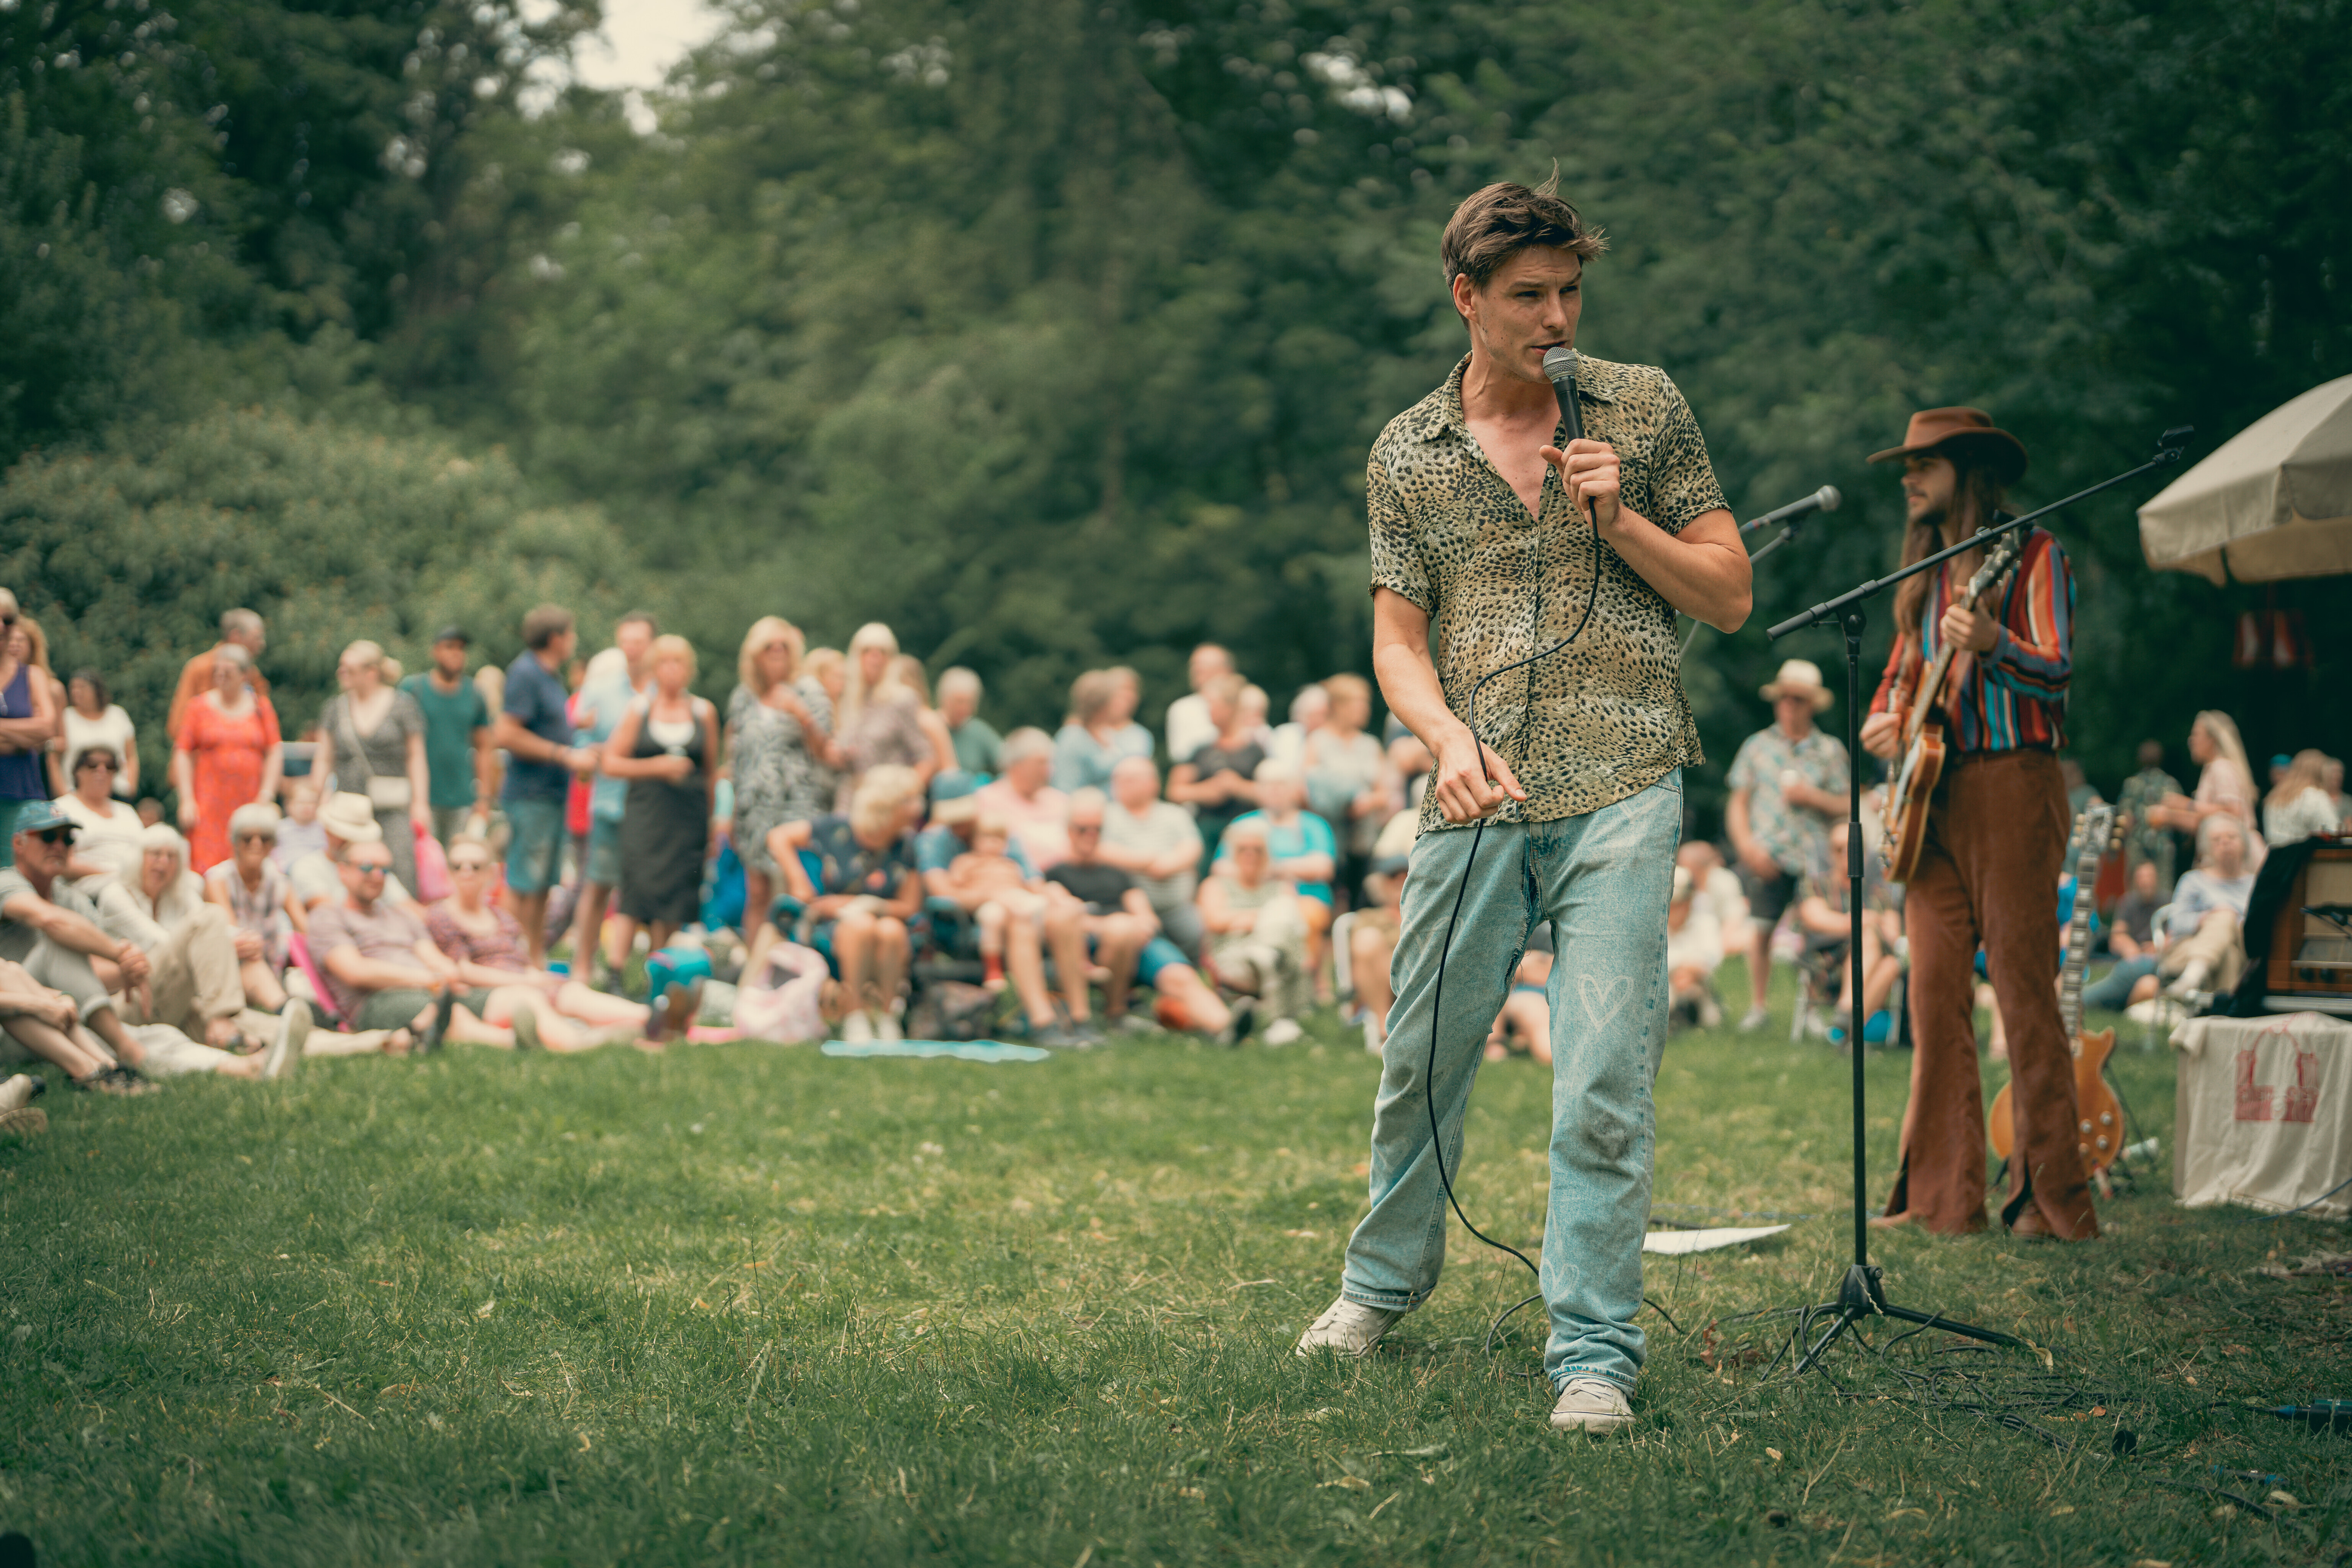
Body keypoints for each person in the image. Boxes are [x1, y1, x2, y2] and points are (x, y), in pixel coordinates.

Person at [1296, 180, 1753, 1443]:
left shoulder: (1643, 406)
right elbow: (1395, 639)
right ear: (1466, 298)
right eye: (1527, 297)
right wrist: (1442, 736)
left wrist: (1622, 517)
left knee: (1601, 1074)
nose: (1556, 317)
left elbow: (1726, 595)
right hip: (1476, 791)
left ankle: (1595, 1352)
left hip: (1626, 784)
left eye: (1570, 293)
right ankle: (1377, 1288)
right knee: (1420, 1056)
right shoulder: (1409, 453)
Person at [1857, 405, 2094, 1242]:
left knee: (2025, 989)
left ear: (1968, 466)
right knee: (1932, 994)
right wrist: (1884, 716)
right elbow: (1901, 672)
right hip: (1932, 793)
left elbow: (2058, 666)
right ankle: (1942, 1197)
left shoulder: (2033, 554)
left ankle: (2052, 1199)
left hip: (2013, 785)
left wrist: (1995, 640)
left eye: (1923, 464)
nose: (1907, 477)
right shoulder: (1924, 566)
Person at [425, 838, 650, 1049]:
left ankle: (652, 1018)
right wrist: (526, 981)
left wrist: (538, 978)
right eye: (457, 866)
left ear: (490, 873)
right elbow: (463, 972)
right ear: (449, 872)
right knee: (529, 997)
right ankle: (579, 1042)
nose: (466, 872)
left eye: (475, 866)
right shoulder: (441, 916)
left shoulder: (501, 916)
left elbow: (522, 960)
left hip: (523, 981)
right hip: (482, 994)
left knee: (571, 991)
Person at [1724, 658, 1849, 1032]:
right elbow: (1738, 803)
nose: (1790, 705)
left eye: (1799, 699)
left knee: (1815, 935)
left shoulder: (1830, 750)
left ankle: (1809, 1009)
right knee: (1761, 929)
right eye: (1785, 698)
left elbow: (1848, 804)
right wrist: (1747, 847)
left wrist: (1813, 797)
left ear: (1812, 704)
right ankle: (1758, 1007)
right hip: (1768, 854)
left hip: (1815, 857)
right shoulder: (1757, 746)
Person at [0, 801, 161, 1089]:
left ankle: (108, 1065)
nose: (60, 846)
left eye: (68, 838)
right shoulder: (5, 882)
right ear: (19, 844)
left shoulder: (72, 899)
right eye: (49, 837)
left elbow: (91, 971)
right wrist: (120, 953)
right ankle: (116, 1057)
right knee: (57, 944)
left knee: (164, 1031)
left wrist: (130, 969)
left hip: (60, 1014)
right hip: (11, 1025)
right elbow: (52, 922)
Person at [307, 839, 524, 1051]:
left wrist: (447, 974)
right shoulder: (328, 916)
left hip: (431, 991)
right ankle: (513, 1041)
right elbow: (356, 971)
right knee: (446, 1013)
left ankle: (550, 1034)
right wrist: (426, 980)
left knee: (507, 999)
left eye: (384, 869)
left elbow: (432, 956)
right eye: (367, 867)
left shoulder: (402, 916)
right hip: (376, 1001)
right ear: (342, 871)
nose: (376, 875)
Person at [98, 823, 296, 1055]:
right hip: (128, 1004)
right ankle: (222, 1017)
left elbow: (213, 930)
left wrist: (244, 939)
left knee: (258, 1026)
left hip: (175, 998)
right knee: (213, 915)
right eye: (155, 854)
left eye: (171, 856)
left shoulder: (179, 896)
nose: (163, 862)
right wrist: (227, 944)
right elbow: (162, 941)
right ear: (138, 858)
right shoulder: (115, 895)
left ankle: (324, 1035)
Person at [1050, 788, 1232, 1039]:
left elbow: (1143, 910)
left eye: (1098, 830)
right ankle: (1116, 1013)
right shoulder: (1056, 872)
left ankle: (1225, 1025)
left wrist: (1143, 924)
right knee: (1120, 930)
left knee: (1180, 976)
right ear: (1069, 830)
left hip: (1136, 940)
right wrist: (1116, 926)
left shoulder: (1117, 871)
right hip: (1090, 947)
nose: (1091, 836)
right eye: (1083, 829)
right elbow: (1065, 917)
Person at [768, 766, 926, 1043]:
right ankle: (855, 1017)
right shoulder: (836, 830)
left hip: (888, 926)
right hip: (833, 926)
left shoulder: (907, 846)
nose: (919, 808)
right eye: (910, 800)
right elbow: (779, 836)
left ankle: (888, 1020)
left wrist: (866, 904)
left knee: (889, 929)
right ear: (887, 804)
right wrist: (798, 880)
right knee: (861, 926)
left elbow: (909, 907)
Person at [600, 634, 720, 958]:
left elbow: (711, 772)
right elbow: (610, 762)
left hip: (687, 822)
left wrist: (713, 823)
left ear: (689, 669)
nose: (671, 670)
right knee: (636, 892)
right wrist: (657, 767)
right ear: (654, 669)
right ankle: (615, 970)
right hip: (647, 818)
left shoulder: (703, 712)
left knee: (675, 899)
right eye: (664, 663)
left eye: (678, 663)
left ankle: (660, 970)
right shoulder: (640, 709)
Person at [494, 605, 593, 967]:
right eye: (571, 634)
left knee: (542, 885)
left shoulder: (550, 677)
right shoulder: (525, 673)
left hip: (551, 795)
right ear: (555, 639)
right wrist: (563, 754)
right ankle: (506, 958)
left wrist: (578, 728)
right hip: (529, 795)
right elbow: (506, 733)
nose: (574, 641)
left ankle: (533, 958)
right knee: (524, 880)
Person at [726, 617, 834, 942]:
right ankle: (754, 968)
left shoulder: (808, 690)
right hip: (754, 807)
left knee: (793, 889)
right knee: (757, 892)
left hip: (796, 804)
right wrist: (733, 813)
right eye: (769, 647)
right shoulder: (744, 697)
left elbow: (825, 752)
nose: (776, 652)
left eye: (783, 647)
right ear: (755, 654)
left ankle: (795, 967)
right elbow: (736, 758)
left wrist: (801, 714)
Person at [567, 614, 656, 981]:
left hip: (653, 809)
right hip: (608, 804)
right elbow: (580, 748)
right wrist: (598, 757)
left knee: (647, 893)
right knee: (597, 887)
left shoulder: (662, 692)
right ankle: (582, 969)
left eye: (639, 641)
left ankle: (648, 974)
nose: (632, 649)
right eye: (626, 641)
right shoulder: (600, 691)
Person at [315, 640, 430, 893]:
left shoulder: (402, 705)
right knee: (353, 868)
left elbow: (416, 757)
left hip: (392, 805)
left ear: (372, 672)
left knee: (399, 867)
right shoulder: (335, 708)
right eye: (341, 668)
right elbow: (324, 758)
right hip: (349, 808)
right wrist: (317, 795)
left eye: (350, 669)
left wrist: (420, 803)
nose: (342, 674)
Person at [1215, 761, 1337, 998]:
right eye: (1268, 785)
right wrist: (1289, 868)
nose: (1275, 791)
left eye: (1282, 785)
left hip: (1306, 899)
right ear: (1258, 790)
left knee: (1302, 916)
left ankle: (1306, 980)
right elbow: (1220, 866)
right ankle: (1244, 981)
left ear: (1296, 790)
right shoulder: (1243, 824)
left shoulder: (1313, 825)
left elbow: (1324, 867)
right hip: (1250, 897)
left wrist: (1269, 869)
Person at [171, 644, 284, 874]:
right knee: (206, 863)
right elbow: (182, 751)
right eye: (218, 673)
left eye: (228, 673)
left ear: (245, 675)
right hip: (209, 801)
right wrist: (186, 799)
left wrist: (267, 794)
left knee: (248, 860)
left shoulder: (261, 707)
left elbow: (275, 750)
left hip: (249, 799)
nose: (221, 678)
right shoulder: (199, 706)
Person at [1197, 818, 1310, 1045]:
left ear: (1267, 854)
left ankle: (1266, 959)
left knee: (1284, 928)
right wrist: (1266, 918)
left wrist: (1240, 920)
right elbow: (1214, 920)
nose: (1250, 855)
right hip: (1233, 960)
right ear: (1232, 854)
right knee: (1280, 922)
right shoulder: (1215, 885)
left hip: (1276, 952)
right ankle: (1280, 1019)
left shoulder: (1280, 886)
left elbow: (1295, 923)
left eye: (1257, 850)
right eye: (1243, 850)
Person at [1793, 821, 1901, 1048]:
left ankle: (1844, 1029)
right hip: (1827, 965)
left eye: (1851, 849)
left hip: (1868, 969)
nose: (1846, 855)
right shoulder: (1816, 885)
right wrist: (1861, 920)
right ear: (1830, 854)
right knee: (1868, 933)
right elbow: (1815, 918)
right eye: (1839, 849)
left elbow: (1893, 934)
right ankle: (1847, 1021)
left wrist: (1874, 923)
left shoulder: (1877, 892)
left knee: (1891, 963)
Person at [1096, 755, 1205, 956]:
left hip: (1177, 908)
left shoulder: (1174, 814)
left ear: (1153, 784)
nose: (1120, 784)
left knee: (1196, 936)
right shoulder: (1106, 816)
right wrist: (1148, 861)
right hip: (1127, 911)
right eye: (1117, 779)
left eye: (1130, 779)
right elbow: (1101, 850)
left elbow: (1193, 847)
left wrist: (1170, 864)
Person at [1303, 673, 1396, 901]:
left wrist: (1368, 803)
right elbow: (1305, 789)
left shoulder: (1370, 745)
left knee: (1359, 897)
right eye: (1359, 703)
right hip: (1329, 834)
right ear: (1338, 706)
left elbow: (1386, 793)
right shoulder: (1317, 742)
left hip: (1363, 838)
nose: (1366, 709)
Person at [400, 627, 495, 848]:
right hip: (422, 796)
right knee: (425, 859)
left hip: (461, 796)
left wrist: (484, 798)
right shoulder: (414, 689)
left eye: (461, 649)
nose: (456, 654)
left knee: (460, 858)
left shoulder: (474, 694)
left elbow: (484, 748)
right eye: (449, 647)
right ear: (436, 651)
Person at [204, 803, 301, 1014]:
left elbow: (305, 928)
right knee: (249, 953)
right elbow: (232, 931)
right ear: (235, 842)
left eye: (265, 839)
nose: (256, 844)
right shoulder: (218, 879)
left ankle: (287, 1008)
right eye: (247, 838)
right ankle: (284, 1011)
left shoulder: (281, 882)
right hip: (231, 967)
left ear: (272, 845)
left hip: (271, 967)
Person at [2150, 711, 2265, 874]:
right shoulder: (2212, 770)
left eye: (2196, 734)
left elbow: (2233, 811)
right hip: (2229, 859)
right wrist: (2170, 816)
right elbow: (2210, 822)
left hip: (2237, 861)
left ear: (2212, 740)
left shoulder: (2221, 769)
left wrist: (2185, 805)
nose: (2191, 740)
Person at [835, 624, 939, 800]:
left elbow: (926, 759)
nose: (874, 658)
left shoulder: (902, 700)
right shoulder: (848, 700)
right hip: (851, 800)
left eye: (882, 652)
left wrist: (902, 796)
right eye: (868, 651)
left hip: (886, 804)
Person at [1166, 674, 1263, 861]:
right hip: (1207, 832)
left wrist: (1239, 787)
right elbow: (1174, 791)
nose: (1208, 710)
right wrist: (1205, 792)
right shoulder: (1200, 750)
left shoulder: (1256, 751)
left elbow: (1274, 793)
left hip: (1247, 833)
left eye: (1213, 705)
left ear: (1231, 707)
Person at [0, 590, 60, 865]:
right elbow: (35, 732)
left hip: (23, 795)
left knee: (22, 877)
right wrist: (23, 735)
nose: (1, 626)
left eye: (8, 619)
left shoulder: (31, 675)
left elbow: (48, 727)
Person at [289, 792, 415, 912]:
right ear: (328, 832)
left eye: (358, 837)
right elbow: (329, 912)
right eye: (344, 837)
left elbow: (410, 909)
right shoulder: (307, 867)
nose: (352, 843)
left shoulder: (375, 871)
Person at [165, 608, 270, 745]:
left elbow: (266, 728)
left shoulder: (254, 675)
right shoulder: (200, 668)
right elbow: (177, 727)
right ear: (236, 637)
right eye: (257, 637)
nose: (262, 644)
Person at [973, 729, 1072, 872]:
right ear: (1016, 766)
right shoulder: (986, 800)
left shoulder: (1061, 800)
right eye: (1040, 764)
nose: (1049, 771)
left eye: (1049, 764)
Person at [1050, 668, 1153, 793]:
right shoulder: (1072, 737)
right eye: (1116, 698)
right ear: (1101, 705)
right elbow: (1065, 788)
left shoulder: (1108, 734)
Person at [54, 744, 147, 872]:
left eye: (110, 766)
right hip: (87, 882)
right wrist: (113, 874)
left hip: (134, 879)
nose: (102, 771)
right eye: (93, 765)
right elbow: (60, 862)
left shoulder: (127, 811)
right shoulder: (61, 809)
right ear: (78, 772)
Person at [50, 669, 137, 800]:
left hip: (117, 791)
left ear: (97, 690)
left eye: (82, 687)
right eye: (73, 688)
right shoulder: (66, 718)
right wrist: (63, 794)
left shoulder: (117, 715)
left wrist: (131, 785)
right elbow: (54, 759)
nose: (76, 692)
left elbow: (131, 755)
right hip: (75, 793)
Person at [2114, 739, 2184, 892]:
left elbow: (2126, 818)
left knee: (2135, 888)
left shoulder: (2131, 784)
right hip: (2163, 844)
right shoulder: (2171, 784)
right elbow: (2180, 819)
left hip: (2137, 844)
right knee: (2164, 889)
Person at [1665, 867, 1726, 1032]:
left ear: (1691, 901)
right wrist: (1681, 968)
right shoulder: (1654, 928)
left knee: (1690, 987)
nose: (1677, 909)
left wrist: (1685, 971)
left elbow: (1712, 960)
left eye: (1682, 903)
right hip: (1664, 988)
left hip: (1696, 984)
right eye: (1673, 904)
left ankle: (1688, 1017)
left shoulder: (1706, 922)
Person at [1164, 643, 1232, 767]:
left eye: (1203, 667)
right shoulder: (1182, 709)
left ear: (1225, 671)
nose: (1195, 670)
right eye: (1194, 666)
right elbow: (1179, 755)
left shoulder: (1246, 701)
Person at [2263, 748, 2339, 848]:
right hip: (2306, 861)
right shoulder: (2316, 797)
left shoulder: (2274, 797)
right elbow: (2332, 832)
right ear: (2321, 773)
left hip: (2276, 860)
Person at [937, 666, 1001, 780]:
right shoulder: (930, 726)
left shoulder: (979, 730)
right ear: (945, 699)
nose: (965, 708)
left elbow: (1007, 759)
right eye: (960, 702)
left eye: (970, 703)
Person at [2104, 858, 2163, 963]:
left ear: (2157, 879)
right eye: (2142, 877)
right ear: (2135, 881)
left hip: (2161, 957)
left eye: (2149, 876)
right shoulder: (2128, 902)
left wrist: (2159, 946)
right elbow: (2117, 935)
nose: (2146, 882)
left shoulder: (2167, 901)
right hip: (2134, 957)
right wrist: (2131, 949)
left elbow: (2177, 934)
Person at [1267, 683, 1329, 772]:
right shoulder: (1286, 734)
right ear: (1303, 714)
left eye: (1325, 715)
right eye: (1319, 715)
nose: (1322, 719)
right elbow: (1284, 768)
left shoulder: (1328, 737)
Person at [273, 778, 327, 871]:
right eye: (301, 802)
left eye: (311, 802)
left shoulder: (323, 829)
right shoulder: (281, 828)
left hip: (315, 870)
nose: (307, 807)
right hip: (288, 870)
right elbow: (275, 853)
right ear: (289, 805)